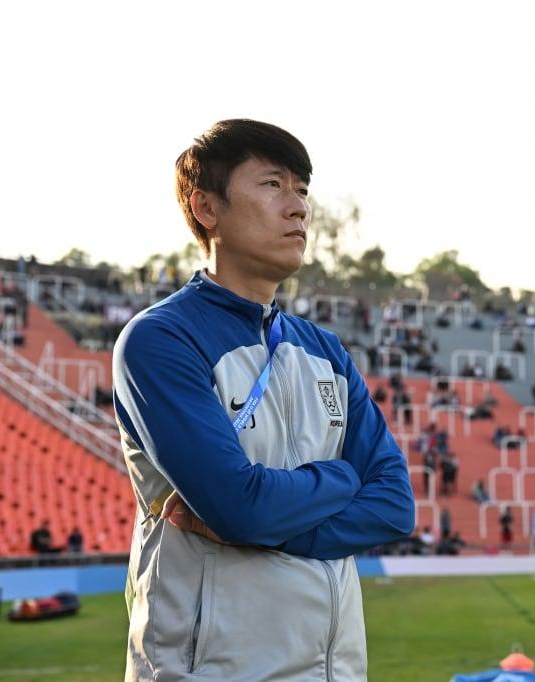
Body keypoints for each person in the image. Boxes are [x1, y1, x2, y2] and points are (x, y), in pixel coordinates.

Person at [113, 119, 415, 681]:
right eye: (273, 184)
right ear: (207, 208)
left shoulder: (325, 349)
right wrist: (343, 478)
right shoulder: (160, 339)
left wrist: (262, 527)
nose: (298, 207)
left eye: (302, 190)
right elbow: (239, 504)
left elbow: (395, 505)